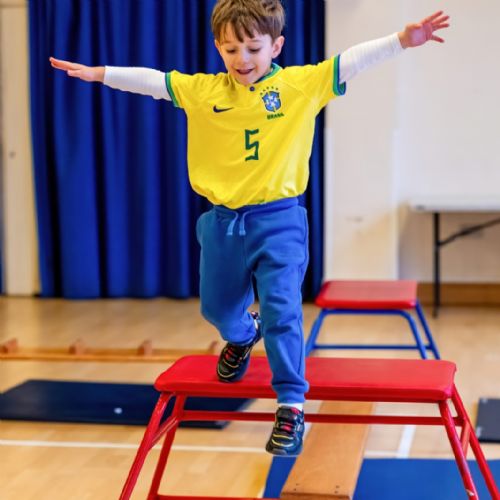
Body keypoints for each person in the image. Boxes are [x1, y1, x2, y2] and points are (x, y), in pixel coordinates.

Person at [50, 0, 449, 456]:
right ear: (218, 48)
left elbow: (351, 61)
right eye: (231, 49)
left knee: (282, 310)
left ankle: (291, 404)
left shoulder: (299, 86)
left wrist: (402, 40)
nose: (242, 59)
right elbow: (153, 82)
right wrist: (99, 73)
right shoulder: (204, 91)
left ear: (276, 46)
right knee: (218, 311)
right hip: (223, 223)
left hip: (279, 221)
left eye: (253, 49)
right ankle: (242, 335)